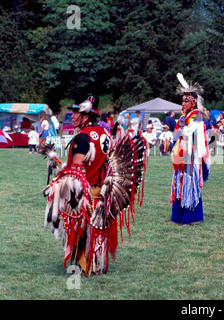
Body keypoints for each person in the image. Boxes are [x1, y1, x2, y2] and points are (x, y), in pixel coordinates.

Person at [40, 98, 146, 276]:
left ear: (86, 115)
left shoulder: (82, 137)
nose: (72, 116)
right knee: (97, 231)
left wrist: (58, 182)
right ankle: (96, 265)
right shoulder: (103, 132)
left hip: (86, 195)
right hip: (100, 194)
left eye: (75, 113)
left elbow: (77, 171)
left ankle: (84, 266)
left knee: (84, 230)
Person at [168, 73, 211, 225]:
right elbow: (177, 136)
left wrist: (181, 122)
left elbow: (186, 133)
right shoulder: (186, 117)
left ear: (193, 103)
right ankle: (178, 217)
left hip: (191, 155)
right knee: (179, 184)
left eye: (185, 102)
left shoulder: (197, 117)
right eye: (182, 101)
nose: (183, 104)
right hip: (181, 154)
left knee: (189, 184)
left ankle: (192, 217)